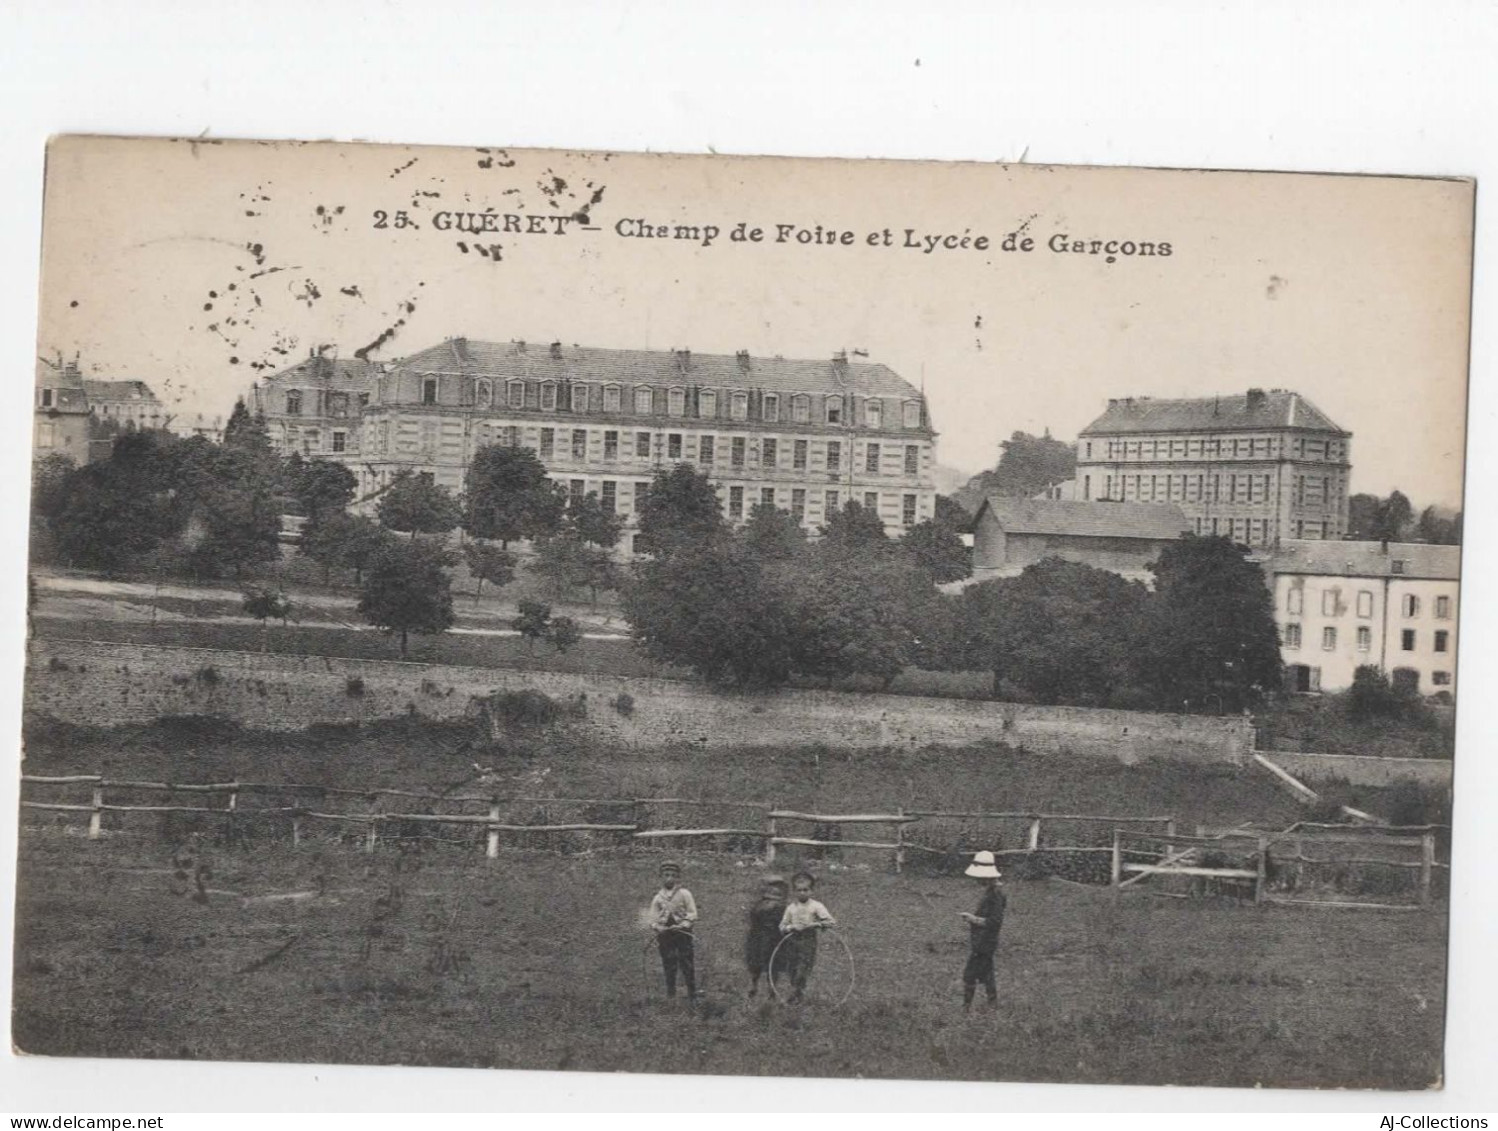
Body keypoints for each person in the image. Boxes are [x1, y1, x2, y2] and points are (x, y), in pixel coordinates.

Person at [777, 871, 836, 1003]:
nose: (802, 893)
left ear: (811, 890)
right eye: (799, 890)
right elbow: (782, 926)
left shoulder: (816, 906)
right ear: (794, 891)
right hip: (792, 941)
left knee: (803, 969)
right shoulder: (791, 908)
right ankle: (798, 993)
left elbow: (831, 922)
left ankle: (795, 994)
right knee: (792, 968)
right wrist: (791, 927)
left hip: (808, 941)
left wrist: (813, 924)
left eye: (805, 890)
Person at [959, 850, 1006, 1012]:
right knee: (987, 974)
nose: (977, 880)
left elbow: (995, 922)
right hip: (983, 940)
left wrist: (972, 919)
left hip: (985, 941)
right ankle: (992, 1005)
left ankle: (966, 1009)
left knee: (969, 975)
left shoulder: (996, 895)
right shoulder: (991, 892)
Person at [649, 861, 698, 1000]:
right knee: (668, 962)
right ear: (661, 877)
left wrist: (683, 925)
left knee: (686, 962)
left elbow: (692, 913)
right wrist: (658, 927)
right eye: (666, 875)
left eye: (673, 875)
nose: (669, 878)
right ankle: (671, 993)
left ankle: (692, 993)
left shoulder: (684, 894)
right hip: (665, 935)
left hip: (682, 933)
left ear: (678, 877)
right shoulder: (658, 897)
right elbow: (652, 918)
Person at [744, 874, 789, 998]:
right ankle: (753, 985)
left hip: (774, 938)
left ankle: (772, 989)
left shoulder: (782, 906)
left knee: (773, 964)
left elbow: (784, 921)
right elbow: (753, 918)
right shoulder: (759, 905)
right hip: (757, 937)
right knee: (755, 962)